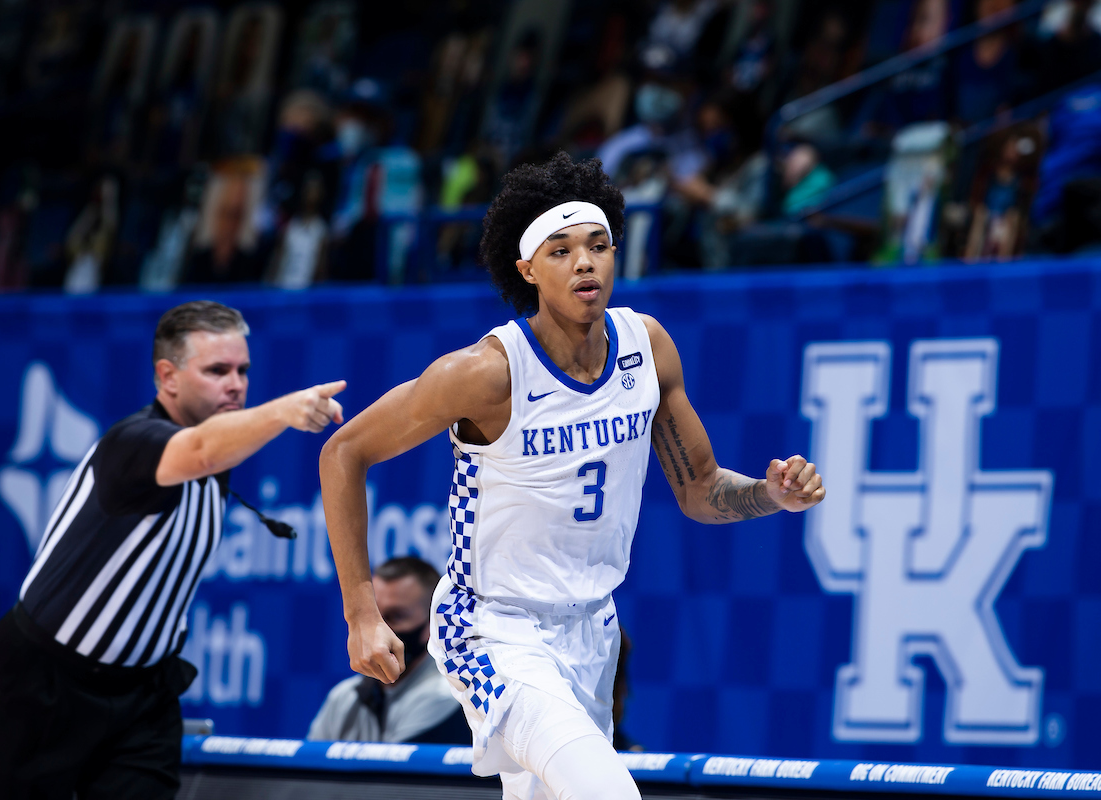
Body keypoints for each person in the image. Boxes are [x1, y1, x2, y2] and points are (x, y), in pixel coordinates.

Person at [319, 153, 825, 800]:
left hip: (593, 632)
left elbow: (700, 490)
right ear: (527, 269)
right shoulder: (486, 373)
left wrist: (770, 495)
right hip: (492, 629)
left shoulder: (646, 346)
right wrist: (361, 612)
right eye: (560, 251)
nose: (585, 263)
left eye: (597, 245)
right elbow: (344, 453)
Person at [0, 300, 346, 799]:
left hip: (143, 694)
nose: (236, 384)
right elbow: (201, 450)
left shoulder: (217, 452)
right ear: (167, 377)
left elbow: (211, 449)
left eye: (243, 370)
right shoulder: (134, 441)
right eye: (217, 371)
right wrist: (284, 410)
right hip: (46, 681)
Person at [307, 557, 472, 744]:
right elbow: (307, 762)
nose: (380, 630)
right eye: (374, 615)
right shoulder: (343, 697)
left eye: (396, 616)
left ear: (433, 625)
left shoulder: (447, 694)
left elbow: (391, 763)